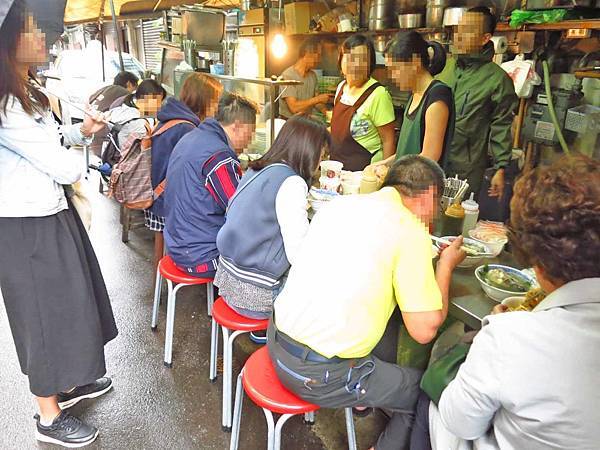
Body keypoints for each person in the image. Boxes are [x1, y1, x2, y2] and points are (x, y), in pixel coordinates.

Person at [267, 155, 466, 450]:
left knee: (382, 326)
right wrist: (445, 266)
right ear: (427, 196)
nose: (434, 216)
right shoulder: (409, 230)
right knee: (429, 396)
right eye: (436, 206)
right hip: (317, 376)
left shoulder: (340, 206)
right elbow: (424, 329)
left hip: (277, 344)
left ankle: (364, 399)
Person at [416, 155, 600, 450]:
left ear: (535, 259)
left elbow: (459, 421)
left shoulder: (510, 336)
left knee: (432, 389)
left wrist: (496, 333)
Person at [0, 2, 118, 447]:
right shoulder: (5, 101)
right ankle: (47, 416)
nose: (43, 39)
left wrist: (81, 130)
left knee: (70, 301)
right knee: (40, 315)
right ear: (10, 40)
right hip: (22, 225)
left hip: (48, 214)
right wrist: (82, 153)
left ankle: (68, 386)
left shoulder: (25, 89)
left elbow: (52, 139)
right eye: (33, 32)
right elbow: (62, 166)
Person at [215, 115, 331, 319]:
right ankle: (278, 340)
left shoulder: (257, 167)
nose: (320, 163)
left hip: (226, 279)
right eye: (321, 156)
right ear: (307, 151)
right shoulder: (292, 183)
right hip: (255, 294)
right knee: (325, 289)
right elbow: (299, 254)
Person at [163, 92, 258, 279]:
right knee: (263, 255)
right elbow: (238, 209)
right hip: (200, 257)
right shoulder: (219, 156)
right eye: (250, 132)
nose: (250, 140)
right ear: (238, 126)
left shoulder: (192, 136)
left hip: (175, 244)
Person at [438, 6, 517, 199]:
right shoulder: (447, 68)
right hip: (435, 159)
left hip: (465, 168)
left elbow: (501, 126)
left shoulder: (497, 80)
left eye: (468, 30)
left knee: (453, 221)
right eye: (459, 29)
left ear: (484, 38)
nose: (459, 35)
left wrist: (500, 168)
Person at [145, 73, 223, 270]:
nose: (217, 107)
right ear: (204, 100)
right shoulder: (187, 129)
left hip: (155, 197)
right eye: (216, 101)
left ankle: (161, 281)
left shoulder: (170, 117)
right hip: (165, 204)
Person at [372, 31, 454, 172]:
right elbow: (405, 153)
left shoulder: (437, 96)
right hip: (406, 183)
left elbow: (428, 158)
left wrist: (393, 175)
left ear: (415, 62)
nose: (392, 76)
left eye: (395, 69)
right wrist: (384, 164)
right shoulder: (414, 94)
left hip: (422, 188)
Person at [329, 34, 396, 171]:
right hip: (337, 169)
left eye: (362, 59)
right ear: (341, 61)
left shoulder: (378, 94)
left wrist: (384, 175)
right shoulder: (341, 88)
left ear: (370, 63)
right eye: (350, 58)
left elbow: (388, 140)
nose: (356, 65)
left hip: (366, 172)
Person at [87, 70, 139, 155]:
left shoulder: (105, 89)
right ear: (129, 83)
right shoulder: (124, 94)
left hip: (91, 136)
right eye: (135, 87)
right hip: (104, 141)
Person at [278, 37, 331, 120]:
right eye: (318, 55)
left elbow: (317, 103)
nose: (319, 60)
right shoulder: (288, 76)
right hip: (289, 123)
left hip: (305, 122)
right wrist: (317, 99)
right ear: (307, 53)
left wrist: (328, 113)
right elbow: (294, 108)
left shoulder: (313, 75)